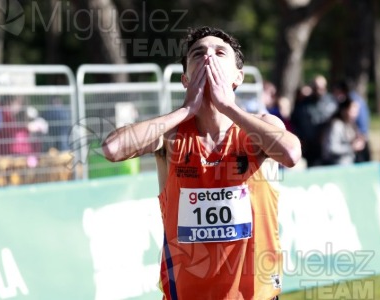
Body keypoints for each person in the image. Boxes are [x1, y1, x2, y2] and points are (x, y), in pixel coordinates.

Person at [102, 26, 301, 300]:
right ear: (185, 78)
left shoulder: (260, 129)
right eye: (198, 53)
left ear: (238, 77)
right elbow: (113, 148)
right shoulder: (171, 137)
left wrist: (229, 107)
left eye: (220, 52)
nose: (208, 57)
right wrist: (185, 110)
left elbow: (291, 154)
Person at [291, 75, 337, 167]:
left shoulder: (332, 102)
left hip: (329, 147)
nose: (319, 91)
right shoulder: (303, 105)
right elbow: (296, 123)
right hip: (311, 147)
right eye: (316, 88)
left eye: (321, 88)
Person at [332, 80, 371, 162]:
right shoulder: (356, 99)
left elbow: (361, 121)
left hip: (359, 138)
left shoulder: (351, 100)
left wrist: (361, 137)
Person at [321, 96, 365, 165]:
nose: (355, 115)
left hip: (350, 163)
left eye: (356, 112)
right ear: (344, 110)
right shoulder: (336, 125)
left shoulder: (351, 125)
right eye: (352, 111)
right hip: (337, 166)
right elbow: (332, 148)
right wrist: (352, 148)